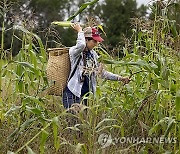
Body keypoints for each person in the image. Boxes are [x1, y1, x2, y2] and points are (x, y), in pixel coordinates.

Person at [62, 23, 130, 109]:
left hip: (84, 96)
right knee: (72, 121)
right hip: (72, 94)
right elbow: (81, 45)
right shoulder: (75, 52)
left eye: (97, 41)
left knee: (81, 121)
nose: (96, 44)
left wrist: (120, 78)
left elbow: (101, 73)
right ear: (86, 39)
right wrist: (80, 31)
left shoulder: (93, 55)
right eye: (94, 41)